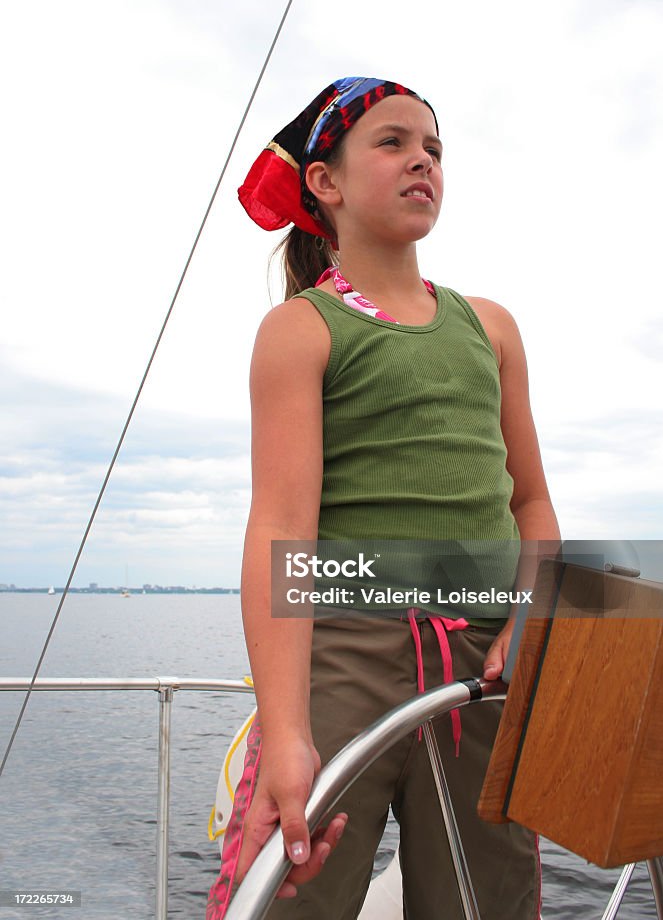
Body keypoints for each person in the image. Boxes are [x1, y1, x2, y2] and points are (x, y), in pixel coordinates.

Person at [206, 76, 560, 920]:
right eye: (393, 142)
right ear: (324, 183)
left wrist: (526, 614)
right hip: (345, 652)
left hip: (484, 663)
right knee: (299, 886)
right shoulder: (302, 329)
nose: (421, 161)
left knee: (490, 898)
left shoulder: (491, 326)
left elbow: (533, 505)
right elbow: (281, 531)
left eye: (433, 149)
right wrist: (287, 731)